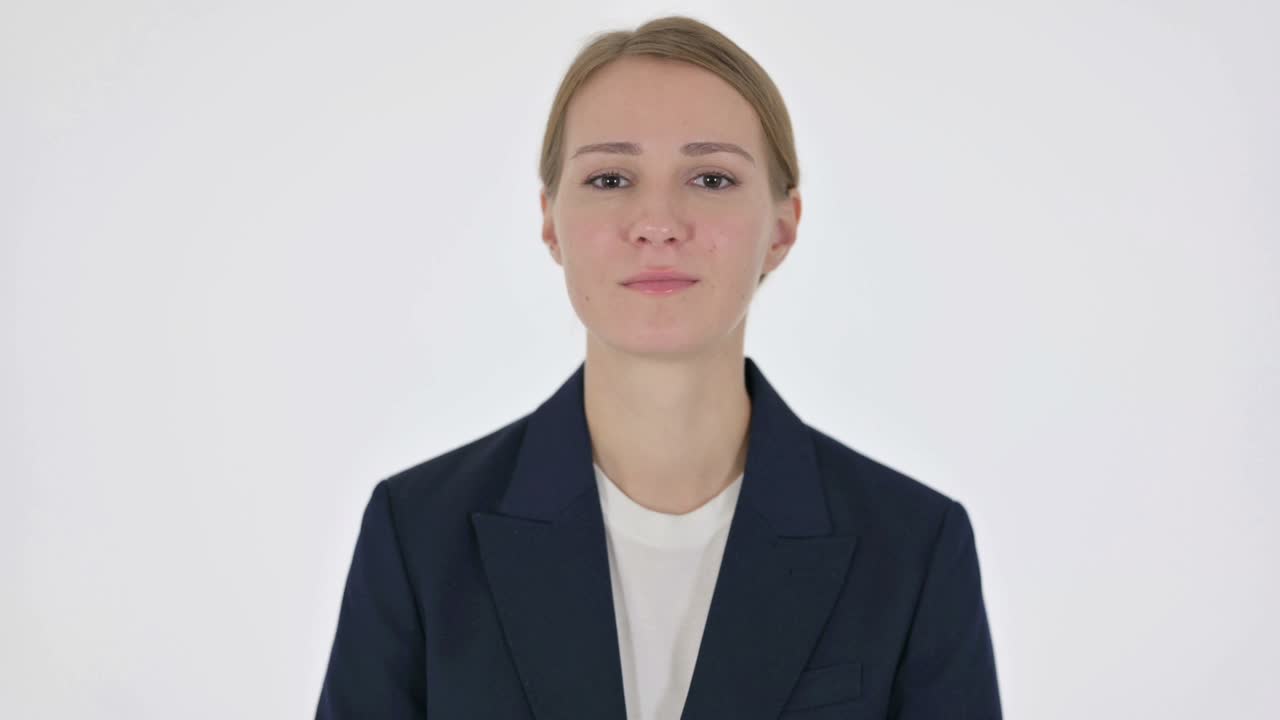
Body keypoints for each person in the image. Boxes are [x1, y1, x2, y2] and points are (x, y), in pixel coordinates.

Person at [316, 15, 1002, 720]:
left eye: (711, 178)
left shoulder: (913, 548)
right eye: (610, 178)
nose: (658, 223)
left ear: (783, 227)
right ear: (551, 222)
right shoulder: (419, 535)